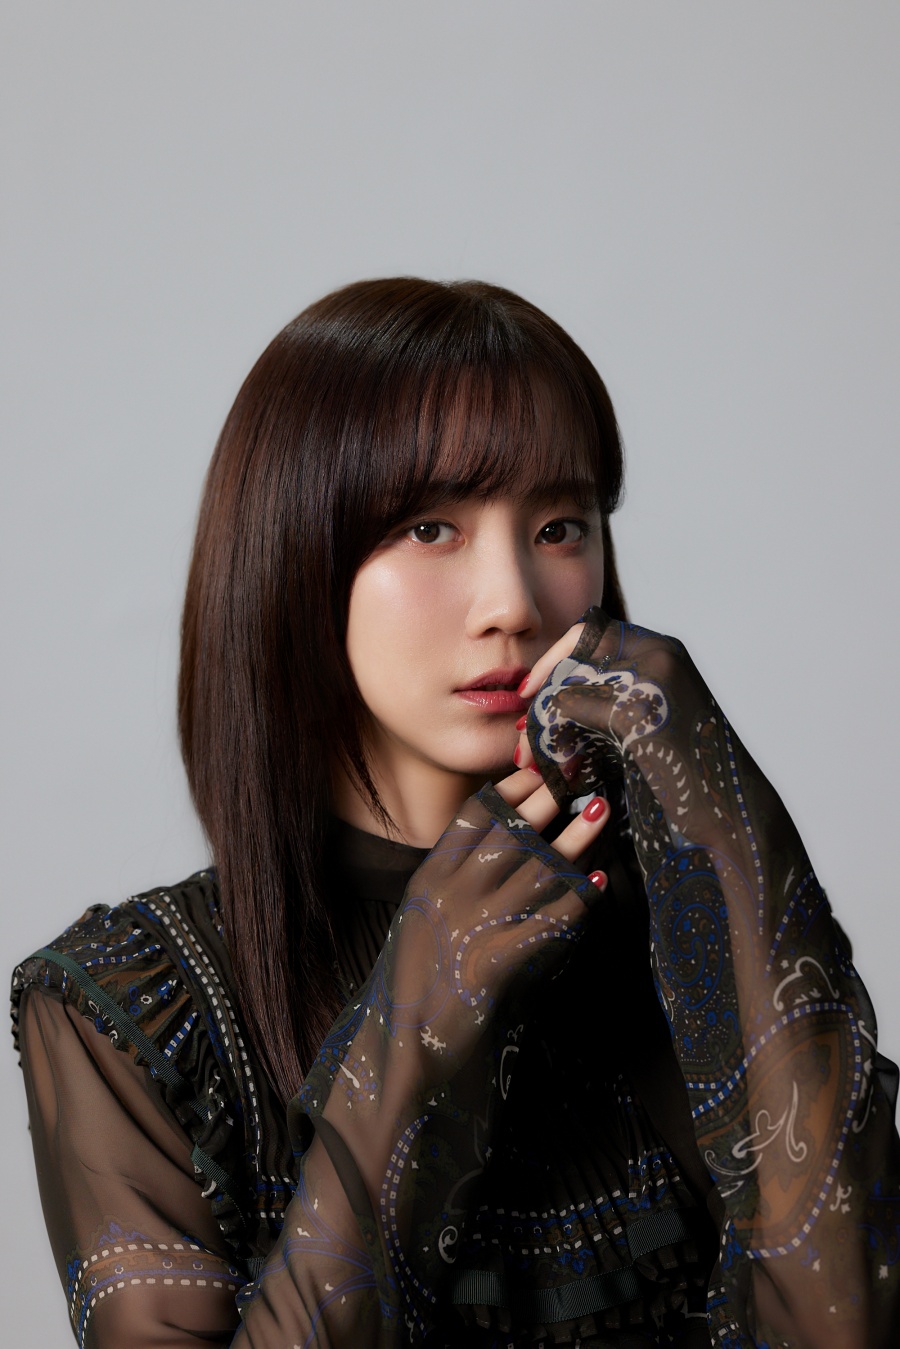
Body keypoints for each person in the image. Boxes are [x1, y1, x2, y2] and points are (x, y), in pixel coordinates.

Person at [11, 278, 900, 1349]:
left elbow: (845, 1324)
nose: (514, 602)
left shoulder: (673, 944)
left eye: (559, 526)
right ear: (293, 554)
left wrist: (728, 836)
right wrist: (417, 1029)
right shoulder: (131, 1007)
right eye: (430, 527)